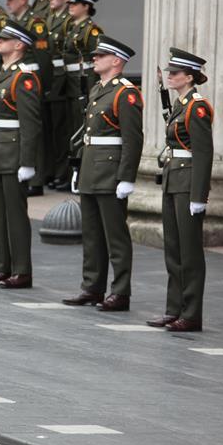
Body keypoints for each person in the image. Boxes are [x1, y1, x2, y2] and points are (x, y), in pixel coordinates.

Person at [62, 36, 141, 308]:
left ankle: (120, 291)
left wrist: (127, 177)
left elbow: (133, 139)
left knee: (115, 236)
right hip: (91, 168)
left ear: (116, 61)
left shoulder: (125, 93)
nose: (95, 59)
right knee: (92, 233)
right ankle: (92, 287)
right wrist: (78, 168)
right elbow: (88, 136)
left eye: (101, 56)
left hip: (110, 172)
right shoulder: (98, 90)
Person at [142, 49, 213, 324]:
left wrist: (199, 195)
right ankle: (174, 308)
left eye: (175, 73)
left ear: (190, 77)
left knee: (190, 252)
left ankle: (191, 313)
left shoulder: (197, 107)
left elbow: (204, 153)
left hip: (187, 184)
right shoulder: (181, 105)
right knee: (173, 249)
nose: (170, 77)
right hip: (173, 180)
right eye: (170, 73)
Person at [0, 20, 42, 289]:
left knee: (15, 213)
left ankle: (21, 270)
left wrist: (27, 161)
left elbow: (31, 123)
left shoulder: (23, 77)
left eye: (4, 39)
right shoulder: (4, 73)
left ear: (18, 45)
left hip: (13, 153)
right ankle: (2, 266)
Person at [4, 0, 51, 197]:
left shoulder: (35, 22)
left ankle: (37, 178)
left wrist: (44, 87)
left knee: (32, 128)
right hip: (16, 79)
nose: (8, 2)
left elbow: (43, 57)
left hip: (32, 79)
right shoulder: (14, 20)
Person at [45, 0, 76, 191]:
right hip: (51, 81)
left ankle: (63, 173)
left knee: (63, 131)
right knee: (52, 133)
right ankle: (53, 171)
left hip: (64, 84)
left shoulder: (68, 22)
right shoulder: (49, 18)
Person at [62, 0, 100, 137]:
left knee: (80, 122)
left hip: (83, 82)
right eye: (70, 3)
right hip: (71, 82)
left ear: (86, 6)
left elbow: (96, 61)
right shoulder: (72, 28)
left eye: (75, 3)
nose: (70, 6)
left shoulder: (91, 31)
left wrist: (90, 89)